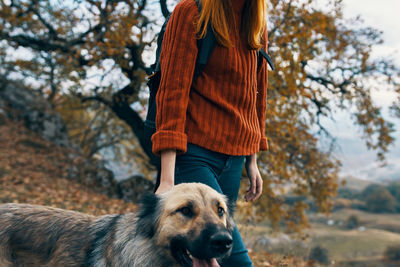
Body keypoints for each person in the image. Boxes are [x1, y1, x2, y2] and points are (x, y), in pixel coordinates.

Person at [151, 0, 269, 265]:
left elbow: (256, 94)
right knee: (235, 261)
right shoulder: (192, 12)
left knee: (207, 255)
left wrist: (252, 160)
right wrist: (168, 180)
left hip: (234, 159)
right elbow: (172, 92)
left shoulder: (256, 21)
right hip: (193, 154)